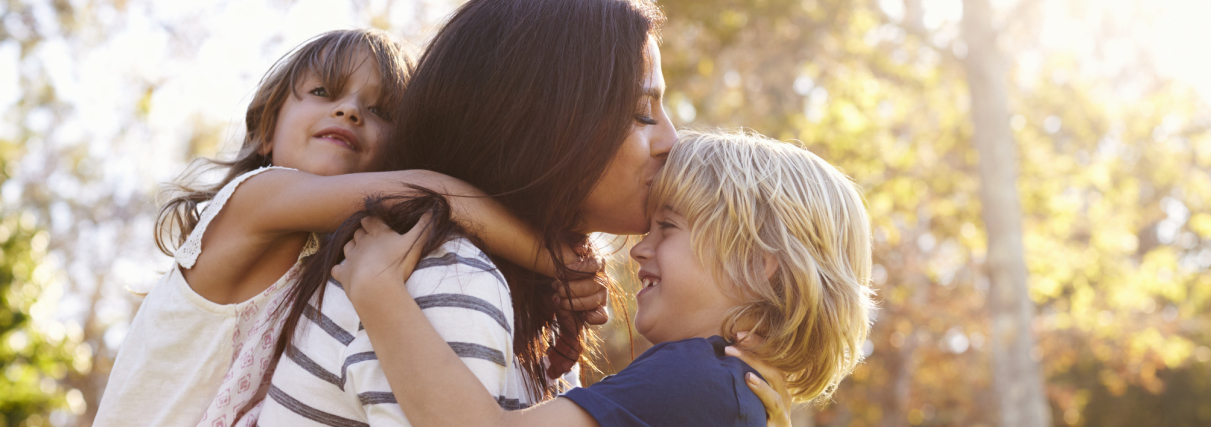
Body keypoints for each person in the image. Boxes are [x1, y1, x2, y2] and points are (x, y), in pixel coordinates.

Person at [94, 29, 606, 427]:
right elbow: (435, 192)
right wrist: (556, 263)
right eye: (323, 91)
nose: (349, 110)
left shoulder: (330, 256)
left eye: (379, 110)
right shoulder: (254, 199)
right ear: (267, 129)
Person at [335, 130, 876, 427]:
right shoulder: (728, 395)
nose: (640, 247)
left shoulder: (696, 378)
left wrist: (377, 289)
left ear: (760, 264)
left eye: (667, 228)